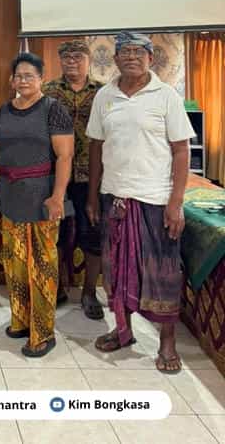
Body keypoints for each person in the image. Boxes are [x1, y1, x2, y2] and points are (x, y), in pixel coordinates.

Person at [86, 31, 193, 373]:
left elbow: (181, 150)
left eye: (138, 51)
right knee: (117, 271)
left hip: (155, 200)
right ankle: (123, 330)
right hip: (115, 197)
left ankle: (167, 343)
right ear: (115, 58)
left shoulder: (166, 96)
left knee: (162, 274)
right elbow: (96, 147)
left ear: (150, 57)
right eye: (125, 52)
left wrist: (175, 202)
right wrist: (92, 196)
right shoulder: (105, 95)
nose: (131, 57)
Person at [0, 52, 74, 357]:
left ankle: (42, 332)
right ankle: (20, 320)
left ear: (41, 78)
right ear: (12, 80)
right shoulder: (5, 109)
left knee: (41, 265)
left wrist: (57, 196)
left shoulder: (53, 109)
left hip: (42, 195)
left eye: (30, 75)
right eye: (19, 76)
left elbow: (65, 156)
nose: (23, 80)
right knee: (15, 262)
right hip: (10, 194)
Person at [43, 39, 103, 319]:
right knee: (57, 234)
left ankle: (89, 292)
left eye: (78, 57)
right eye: (66, 57)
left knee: (93, 234)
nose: (72, 62)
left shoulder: (103, 92)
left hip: (94, 176)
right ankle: (57, 287)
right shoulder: (48, 92)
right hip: (57, 176)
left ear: (88, 60)